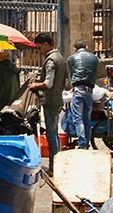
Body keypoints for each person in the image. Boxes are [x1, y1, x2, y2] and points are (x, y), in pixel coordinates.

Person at [29, 32, 68, 167]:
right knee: (54, 133)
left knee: (52, 135)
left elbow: (48, 83)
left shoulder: (51, 60)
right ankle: (56, 163)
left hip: (50, 100)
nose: (39, 51)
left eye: (39, 48)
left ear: (46, 45)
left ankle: (54, 165)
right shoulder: (60, 58)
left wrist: (35, 85)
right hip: (57, 99)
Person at [67, 40, 98, 149]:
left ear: (75, 48)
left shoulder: (72, 58)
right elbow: (94, 74)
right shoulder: (94, 58)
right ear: (86, 46)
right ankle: (86, 143)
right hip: (89, 90)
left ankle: (82, 144)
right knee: (86, 119)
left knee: (77, 118)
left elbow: (71, 75)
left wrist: (73, 87)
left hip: (78, 90)